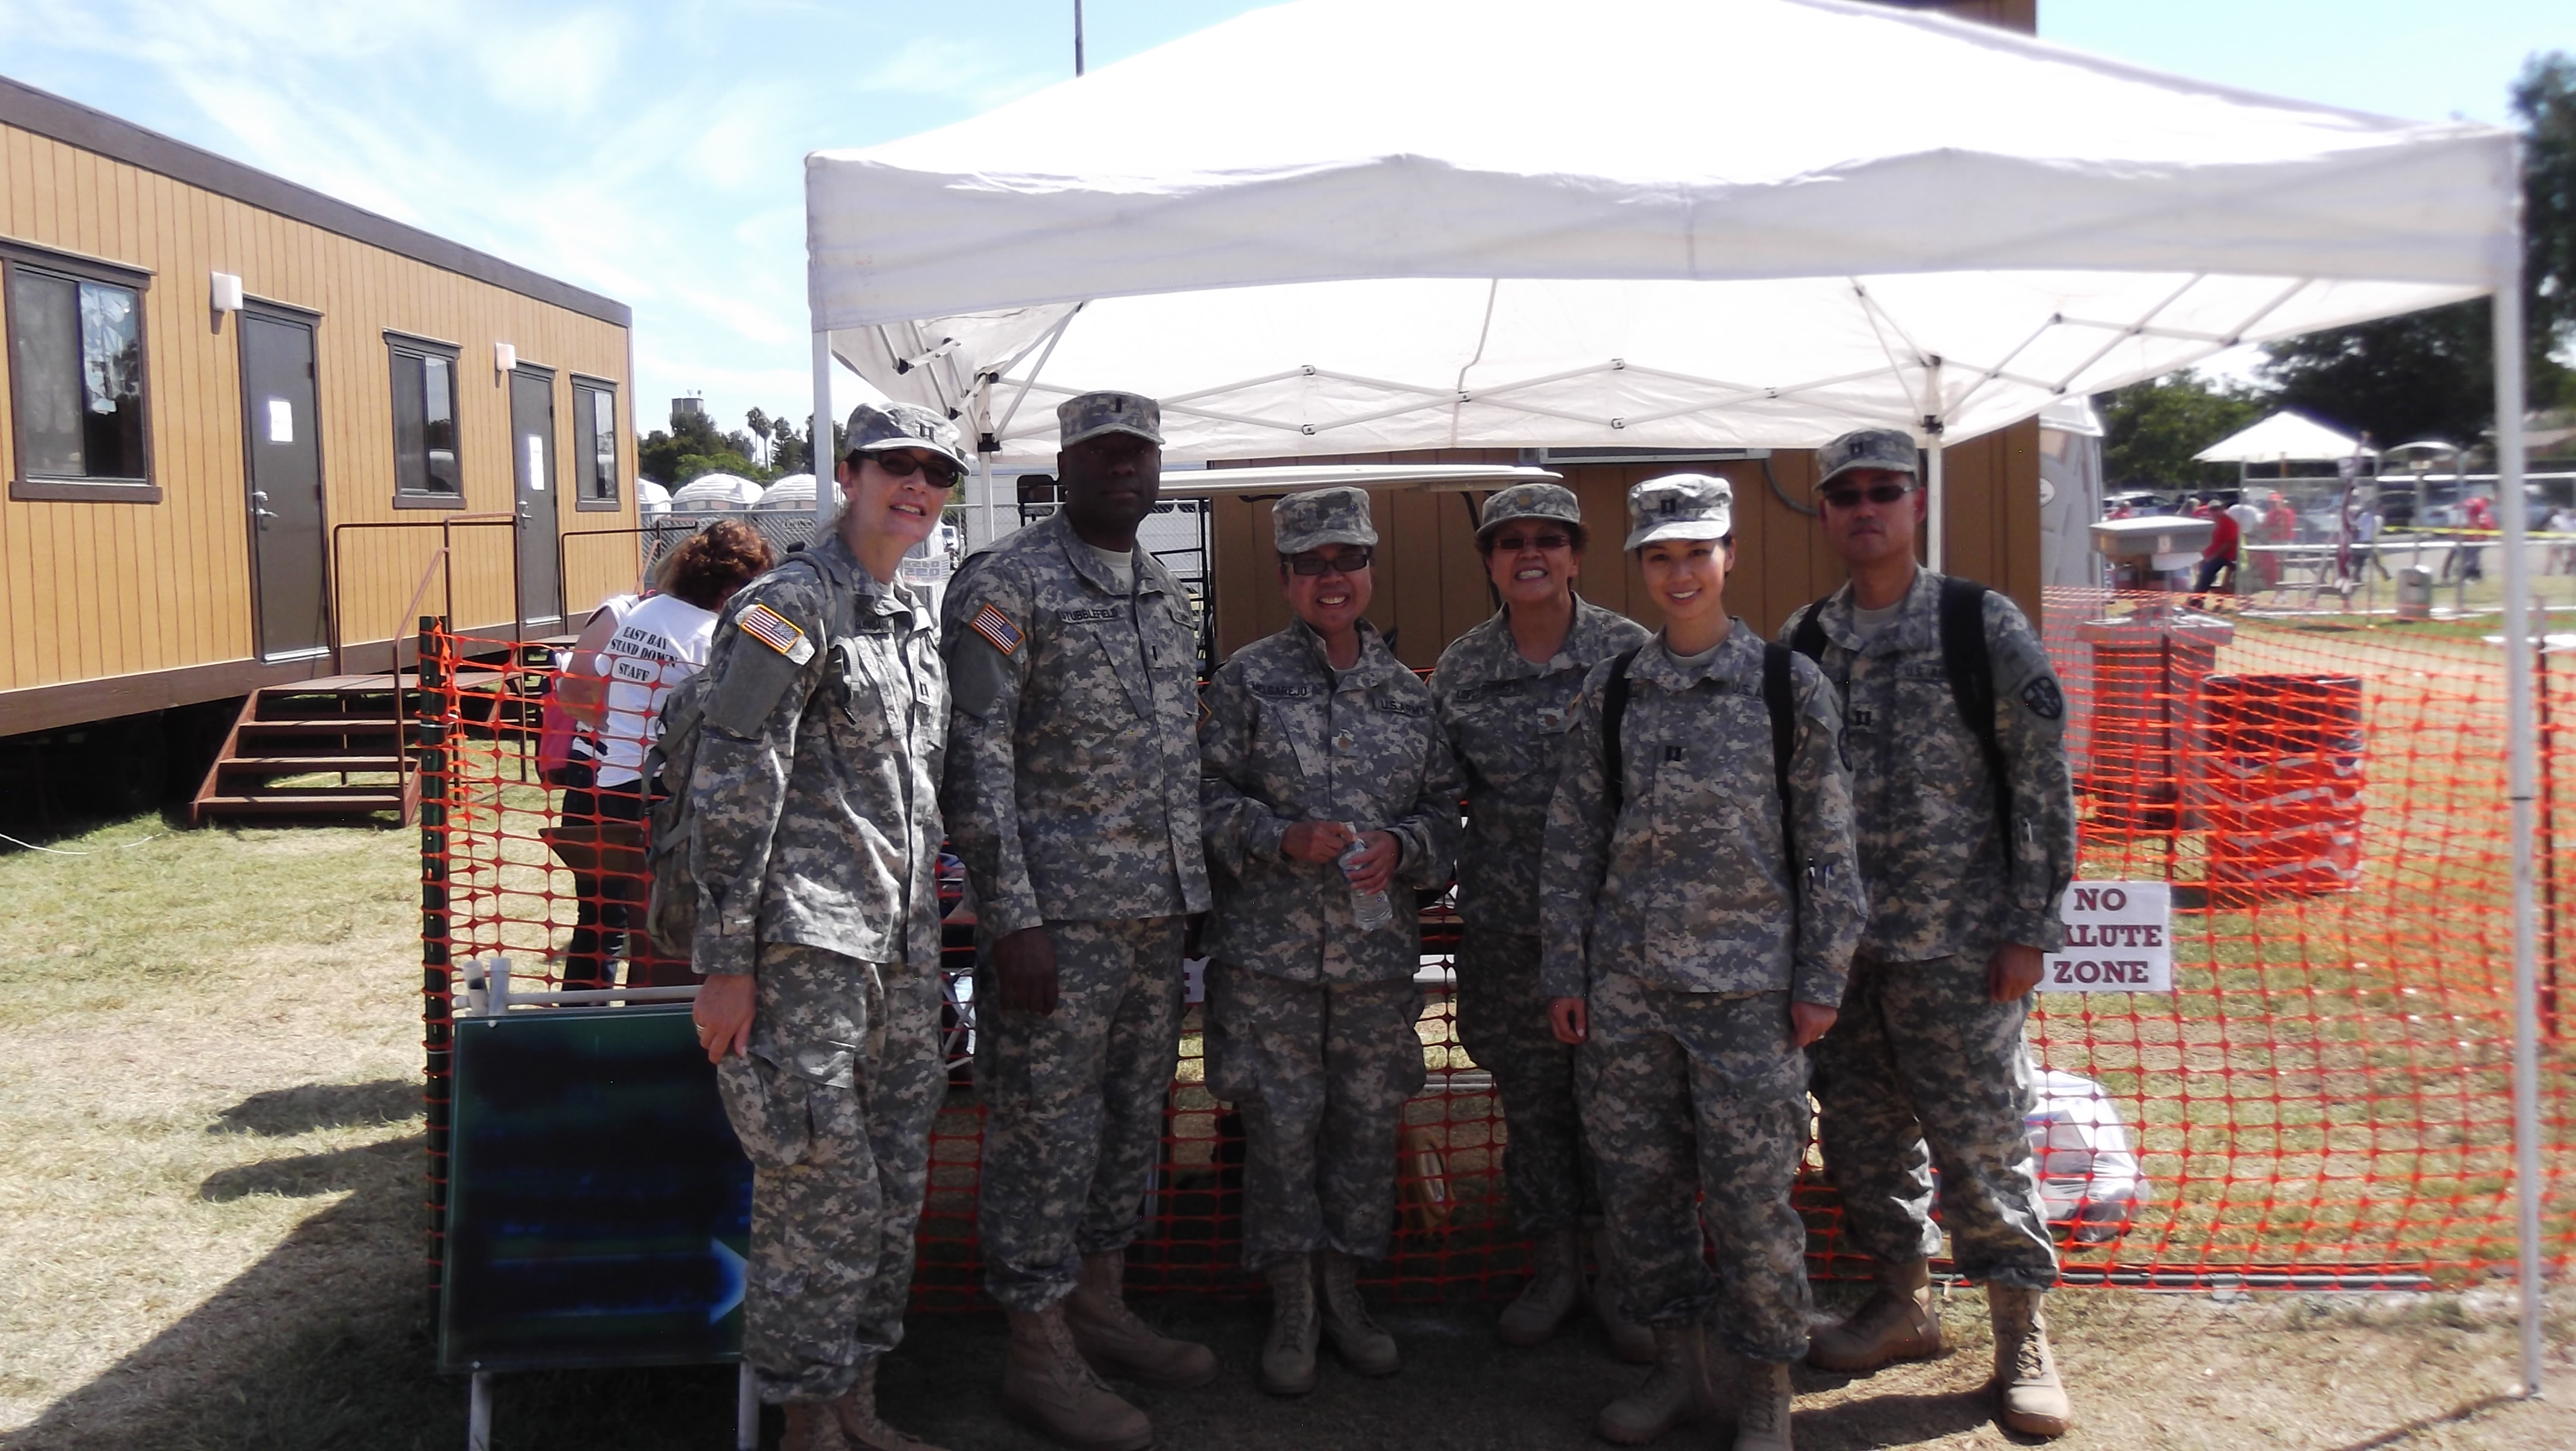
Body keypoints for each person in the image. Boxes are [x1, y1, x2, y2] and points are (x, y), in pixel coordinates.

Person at [1540, 473, 1864, 1451]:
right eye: (1659, 556)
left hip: (1748, 995)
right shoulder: (1614, 690)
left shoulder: (1785, 686)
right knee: (1640, 1194)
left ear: (1728, 557)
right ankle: (1679, 1370)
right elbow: (1573, 840)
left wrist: (1821, 977)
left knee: (1751, 1200)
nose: (1678, 574)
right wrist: (1566, 972)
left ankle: (1764, 1385)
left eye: (1695, 553)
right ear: (1638, 566)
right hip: (1628, 992)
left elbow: (1828, 844)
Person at [1779, 428, 2079, 1439]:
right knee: (1862, 1141)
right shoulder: (1806, 641)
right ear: (1826, 513)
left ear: (1914, 503)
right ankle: (1902, 1303)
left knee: (1982, 1144)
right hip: (1845, 954)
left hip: (1961, 948)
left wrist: (2030, 927)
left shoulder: (1975, 623)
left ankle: (2020, 1337)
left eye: (1883, 491)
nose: (1864, 508)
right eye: (1846, 494)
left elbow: (2042, 784)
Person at [940, 391, 1215, 1450]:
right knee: (1042, 1132)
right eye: (1102, 453)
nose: (1123, 469)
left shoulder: (1161, 590)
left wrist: (1190, 893)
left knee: (1127, 1123)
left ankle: (1099, 1303)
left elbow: (1173, 753)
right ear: (1062, 465)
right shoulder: (1006, 583)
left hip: (1151, 917)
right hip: (1054, 926)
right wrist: (1011, 915)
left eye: (1138, 453)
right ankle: (1036, 1347)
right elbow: (977, 757)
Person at [685, 404, 961, 1451]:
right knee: (817, 1189)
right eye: (895, 467)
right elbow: (733, 781)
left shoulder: (910, 621)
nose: (916, 487)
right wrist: (727, 963)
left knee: (891, 1186)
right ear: (848, 475)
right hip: (803, 950)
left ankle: (858, 1406)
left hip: (901, 947)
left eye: (934, 473)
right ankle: (809, 1419)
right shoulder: (787, 606)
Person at [1200, 486, 1465, 1395]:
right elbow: (1201, 800)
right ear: (1284, 579)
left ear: (1369, 569)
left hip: (1372, 967)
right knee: (1279, 1129)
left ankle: (1345, 1291)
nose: (1330, 578)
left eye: (1346, 559)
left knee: (1362, 1126)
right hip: (1268, 962)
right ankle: (1292, 1302)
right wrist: (1279, 836)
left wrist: (1404, 847)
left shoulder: (1408, 695)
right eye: (1309, 564)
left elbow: (1443, 816)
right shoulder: (1245, 681)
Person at [1427, 482, 1654, 1357]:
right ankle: (1555, 1266)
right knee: (1532, 1103)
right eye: (1510, 541)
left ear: (1576, 554)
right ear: (1489, 561)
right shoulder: (1462, 668)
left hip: (1610, 930)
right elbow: (1436, 791)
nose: (1530, 554)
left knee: (1619, 1106)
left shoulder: (1628, 654)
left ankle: (1622, 1273)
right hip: (1508, 926)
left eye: (1548, 539)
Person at [560, 522, 773, 990]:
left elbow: (591, 686)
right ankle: (657, 1014)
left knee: (608, 918)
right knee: (670, 926)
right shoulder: (711, 634)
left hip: (614, 784)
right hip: (668, 797)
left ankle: (586, 1013)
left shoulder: (644, 613)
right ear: (733, 586)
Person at [2187, 497, 2239, 608]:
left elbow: (2228, 544)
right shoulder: (2212, 523)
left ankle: (2195, 603)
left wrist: (2212, 557)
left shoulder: (2229, 522)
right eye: (2212, 509)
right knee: (2203, 574)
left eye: (2217, 509)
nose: (2215, 512)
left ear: (2223, 509)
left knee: (2207, 573)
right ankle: (2197, 600)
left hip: (2225, 556)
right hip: (2210, 556)